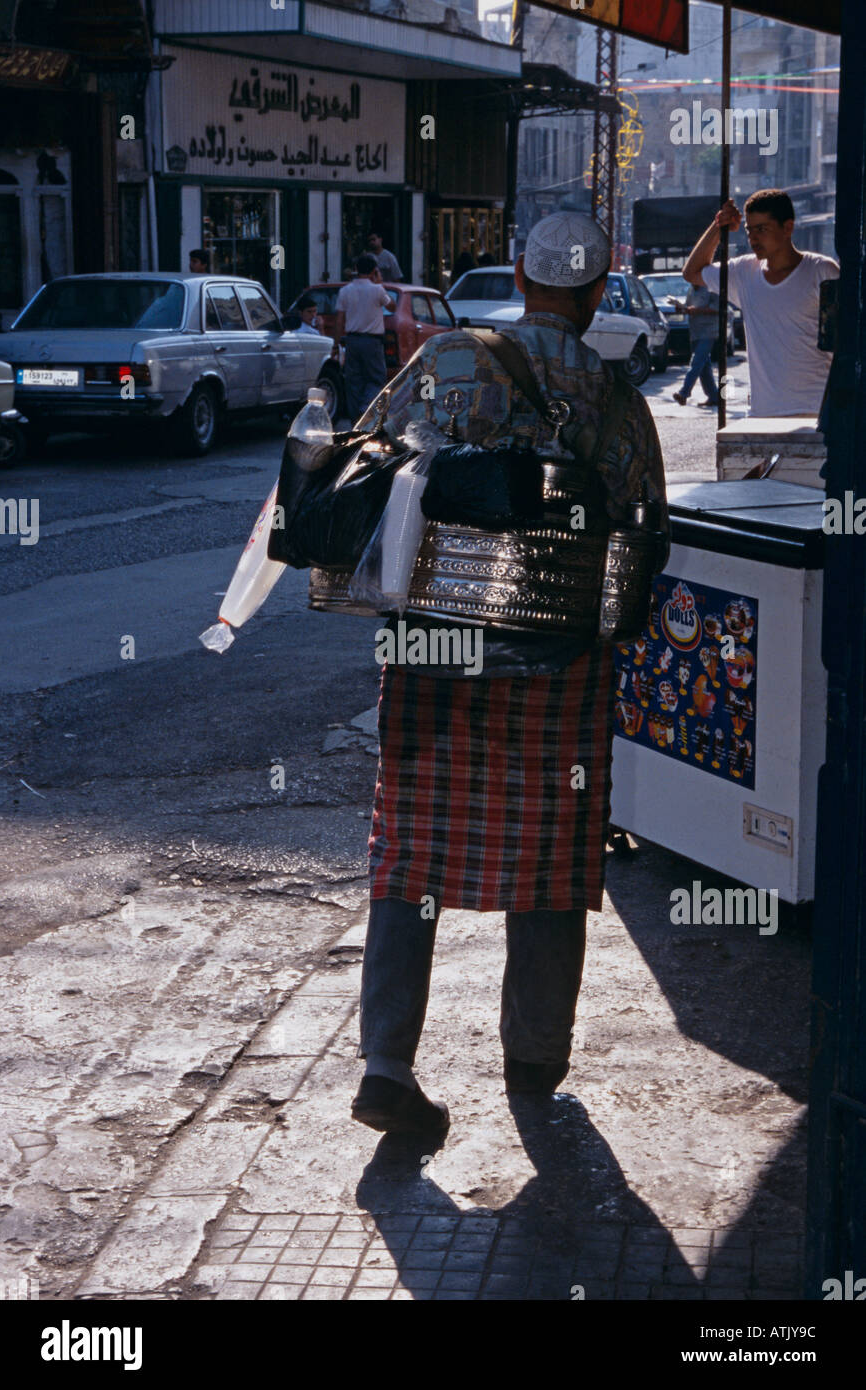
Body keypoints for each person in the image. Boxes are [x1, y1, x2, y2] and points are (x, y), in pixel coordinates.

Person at [348, 210, 670, 1134]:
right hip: (557, 662)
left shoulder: (447, 360)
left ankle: (385, 1064)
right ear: (597, 293)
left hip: (433, 655)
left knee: (409, 852)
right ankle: (533, 1065)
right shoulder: (616, 399)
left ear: (522, 279)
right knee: (552, 861)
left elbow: (369, 463)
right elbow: (644, 530)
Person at [683, 188, 839, 417]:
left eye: (762, 229)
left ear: (787, 228)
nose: (753, 238)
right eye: (749, 230)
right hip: (762, 414)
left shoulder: (822, 271)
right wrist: (718, 226)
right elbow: (692, 272)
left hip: (817, 412)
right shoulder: (744, 272)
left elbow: (845, 341)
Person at [337, 254, 392, 420]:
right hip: (372, 341)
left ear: (356, 269)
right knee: (376, 379)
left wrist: (336, 342)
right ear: (374, 270)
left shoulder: (345, 290)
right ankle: (365, 407)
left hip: (352, 340)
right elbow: (392, 306)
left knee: (354, 381)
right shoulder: (377, 290)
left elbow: (340, 318)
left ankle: (355, 421)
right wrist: (379, 282)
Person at [672, 284, 722, 409]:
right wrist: (682, 308)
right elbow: (688, 306)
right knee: (704, 366)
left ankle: (684, 392)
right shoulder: (691, 289)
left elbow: (717, 308)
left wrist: (696, 310)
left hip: (709, 330)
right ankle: (713, 396)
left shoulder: (711, 289)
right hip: (695, 331)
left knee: (697, 361)